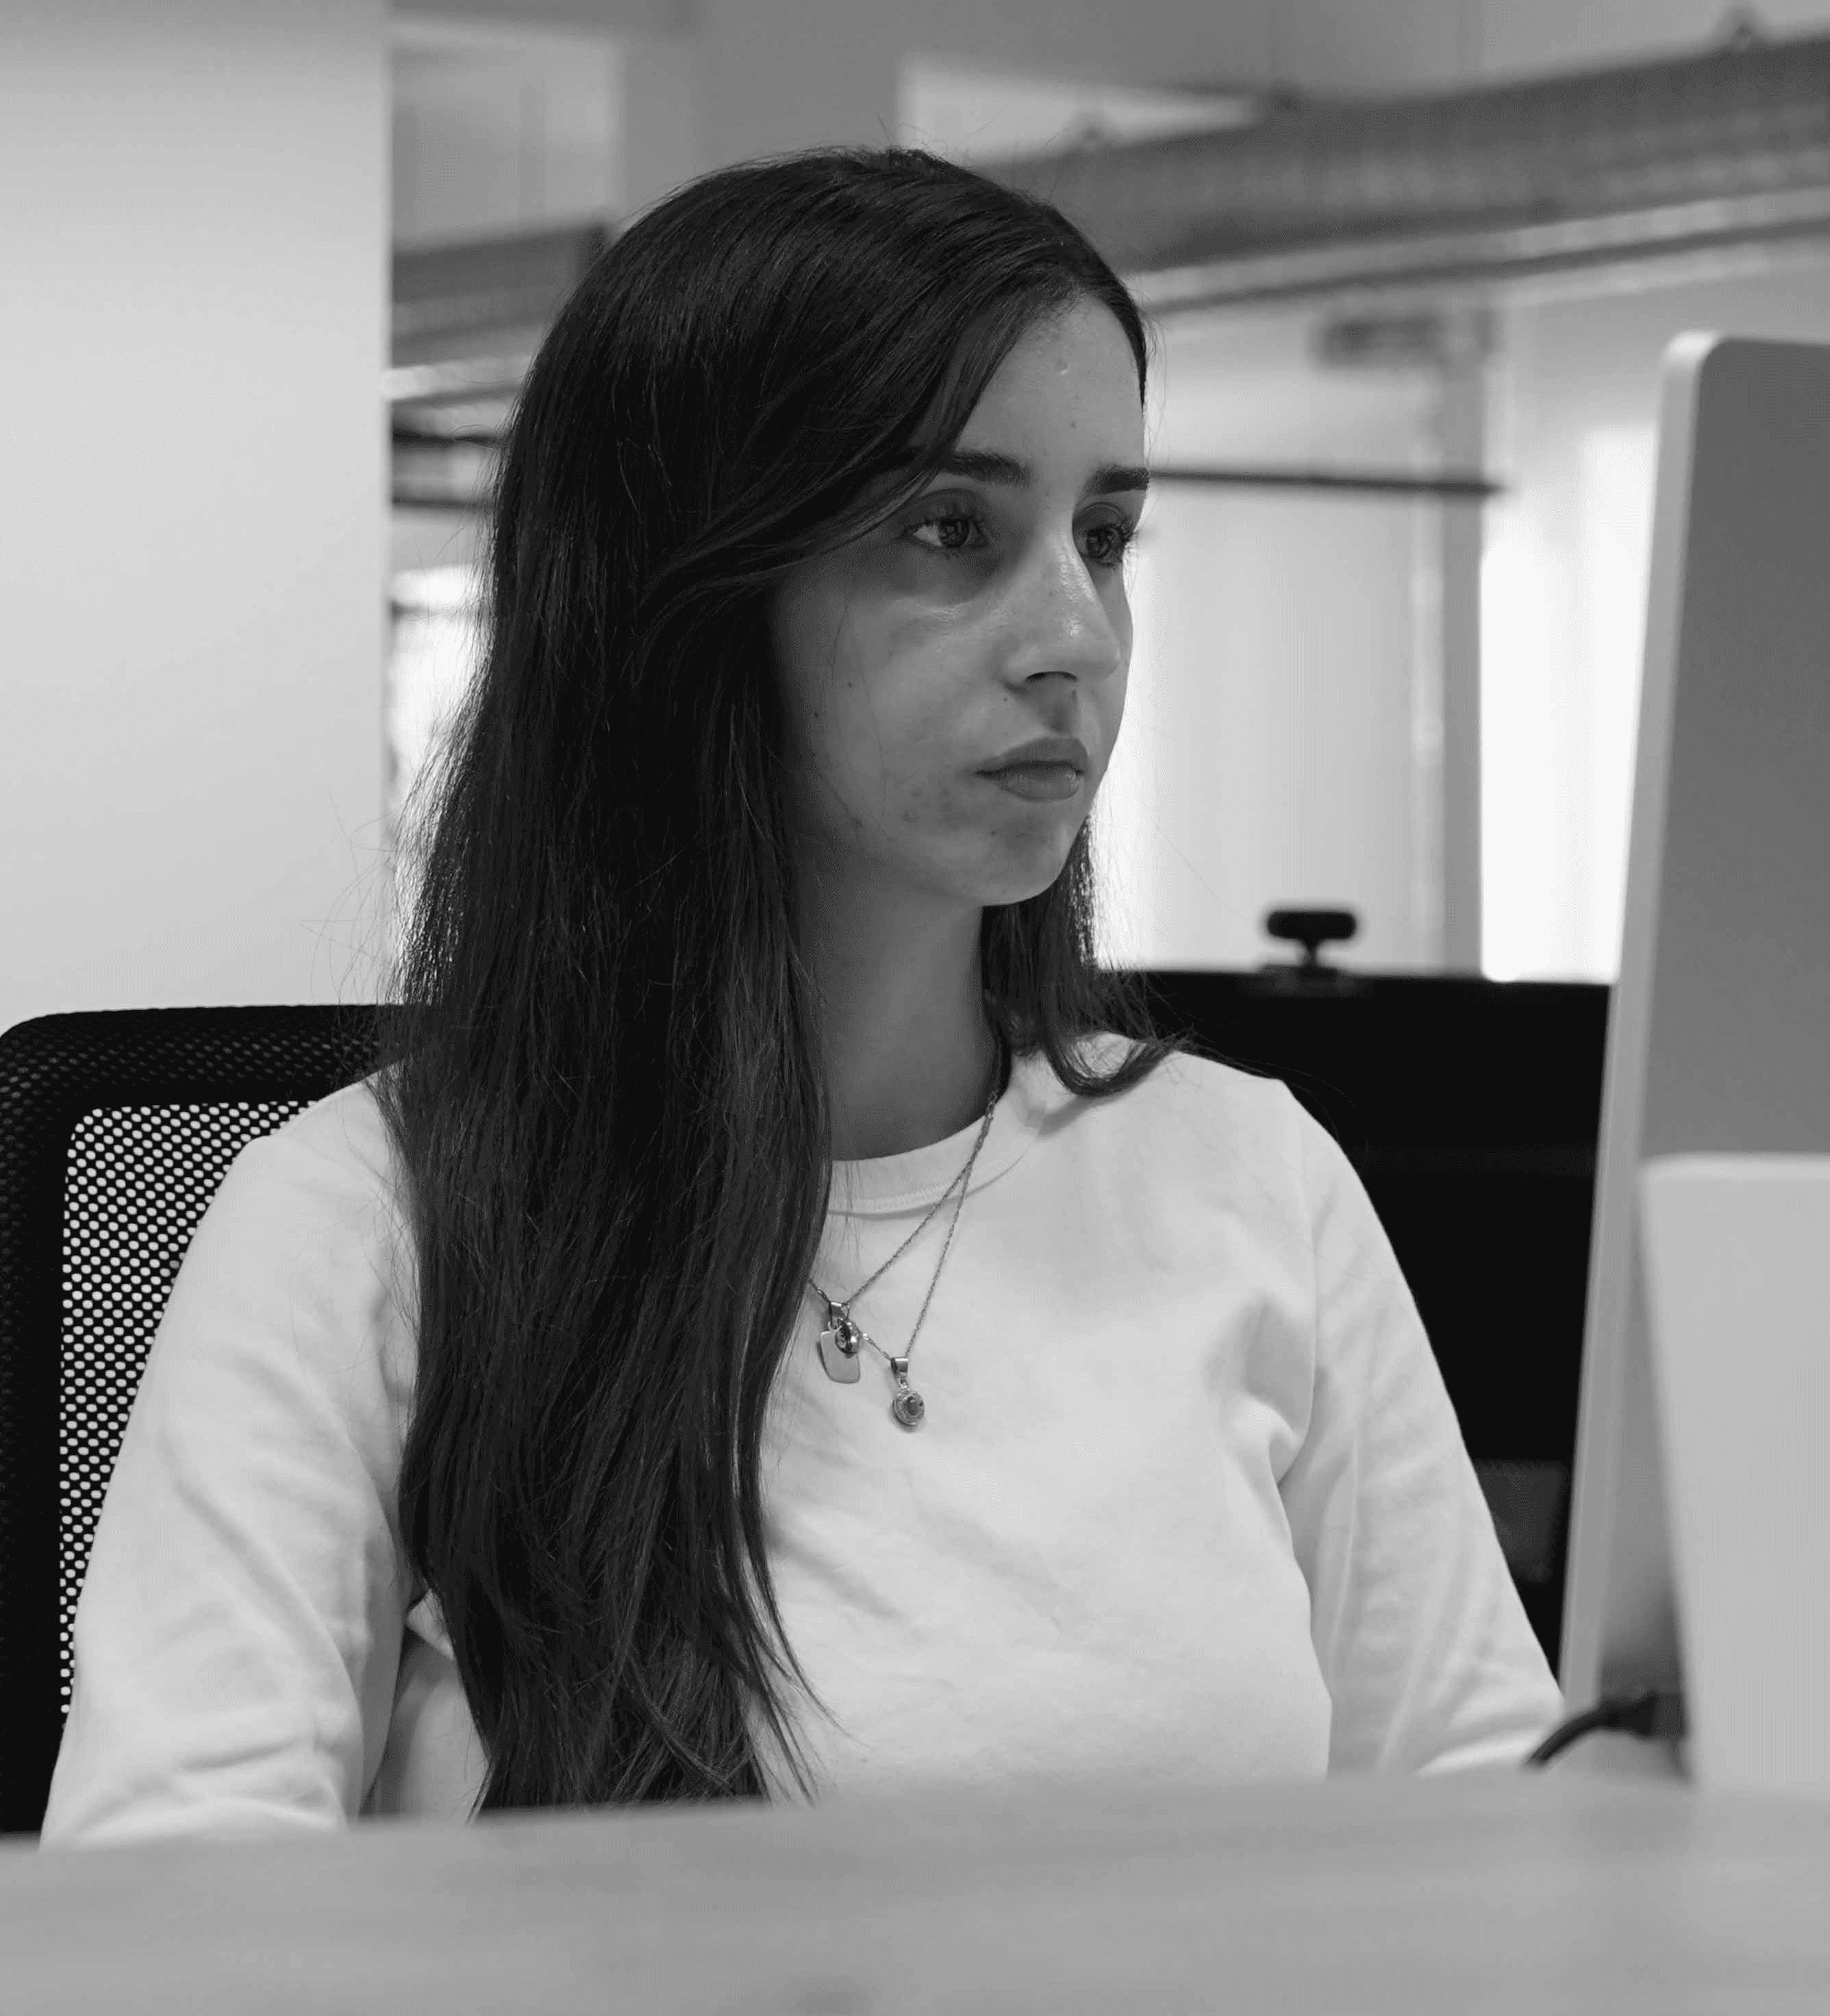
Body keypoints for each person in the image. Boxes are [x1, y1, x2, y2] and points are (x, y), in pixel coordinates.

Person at [41, 145, 1562, 1845]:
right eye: (951, 530)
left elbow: (1496, 1842)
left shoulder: (1251, 1180)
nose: (1076, 634)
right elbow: (183, 1923)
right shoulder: (371, 1225)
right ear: (690, 597)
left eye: (1105, 534)